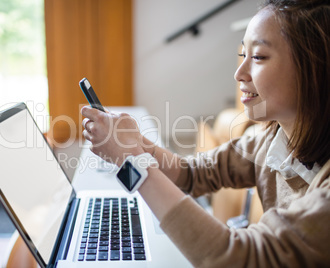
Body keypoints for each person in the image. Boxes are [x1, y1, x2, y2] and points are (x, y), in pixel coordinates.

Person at [81, 0, 330, 266]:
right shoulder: (273, 140)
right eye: (242, 55)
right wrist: (135, 144)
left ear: (314, 70)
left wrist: (132, 161)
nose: (239, 73)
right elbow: (192, 173)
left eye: (257, 57)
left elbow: (241, 257)